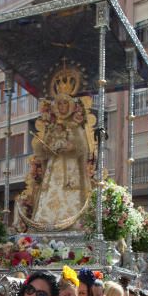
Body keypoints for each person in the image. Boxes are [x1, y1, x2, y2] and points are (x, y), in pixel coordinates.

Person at [31, 93, 91, 226]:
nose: (62, 106)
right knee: (50, 195)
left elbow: (83, 148)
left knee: (71, 196)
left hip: (71, 169)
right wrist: (49, 147)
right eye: (59, 104)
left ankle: (73, 224)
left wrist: (70, 147)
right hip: (53, 168)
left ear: (70, 106)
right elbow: (42, 149)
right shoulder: (52, 127)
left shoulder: (75, 126)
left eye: (65, 103)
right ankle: (47, 223)